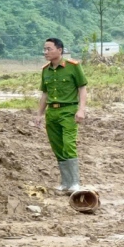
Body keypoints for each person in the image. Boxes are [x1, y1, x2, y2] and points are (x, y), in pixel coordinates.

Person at [35, 37, 89, 192]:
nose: (45, 52)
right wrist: (39, 114)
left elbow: (82, 89)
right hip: (52, 112)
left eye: (49, 49)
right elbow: (45, 94)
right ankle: (65, 182)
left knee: (68, 144)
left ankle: (75, 183)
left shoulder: (73, 67)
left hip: (68, 111)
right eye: (44, 49)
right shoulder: (46, 70)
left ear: (59, 50)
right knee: (57, 146)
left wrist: (81, 109)